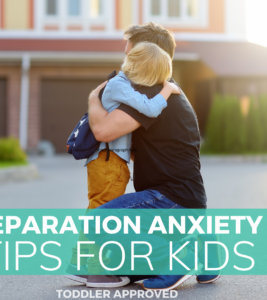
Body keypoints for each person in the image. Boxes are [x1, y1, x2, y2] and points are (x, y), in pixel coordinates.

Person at [77, 22, 220, 290]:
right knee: (122, 257)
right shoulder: (167, 89)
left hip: (170, 200)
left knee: (97, 222)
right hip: (187, 201)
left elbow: (103, 130)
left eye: (128, 45)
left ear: (144, 50)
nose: (125, 51)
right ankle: (202, 249)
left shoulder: (149, 92)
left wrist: (93, 99)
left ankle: (178, 258)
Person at [66, 42, 181, 284]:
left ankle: (79, 263)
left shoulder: (119, 84)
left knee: (98, 209)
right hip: (109, 158)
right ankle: (97, 272)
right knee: (104, 215)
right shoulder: (120, 84)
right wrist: (168, 90)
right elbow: (149, 108)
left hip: (109, 158)